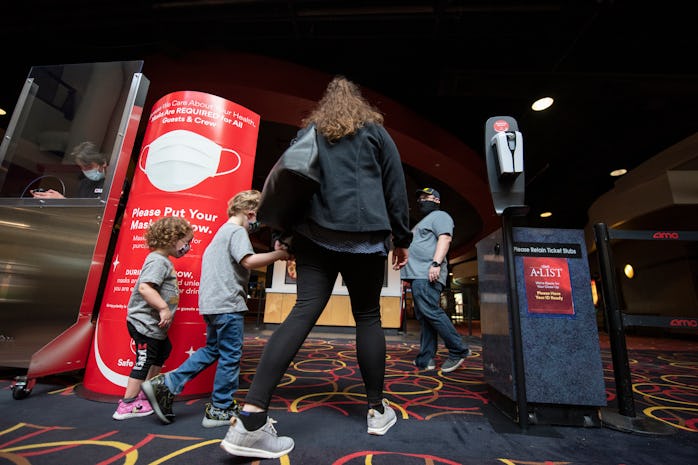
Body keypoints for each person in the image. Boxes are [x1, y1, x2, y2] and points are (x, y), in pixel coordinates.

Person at [219, 75, 412, 459]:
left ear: (325, 104)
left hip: (314, 237)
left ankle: (251, 418)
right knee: (368, 317)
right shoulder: (376, 133)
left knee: (302, 313)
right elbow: (395, 186)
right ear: (360, 103)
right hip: (364, 238)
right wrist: (401, 237)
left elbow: (293, 184)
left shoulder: (311, 133)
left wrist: (285, 236)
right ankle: (376, 410)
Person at [141, 190, 291, 427]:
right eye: (258, 219)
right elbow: (248, 261)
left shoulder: (221, 232)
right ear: (250, 213)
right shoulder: (237, 231)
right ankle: (220, 407)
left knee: (213, 350)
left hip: (212, 304)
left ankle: (166, 384)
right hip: (228, 303)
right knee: (231, 355)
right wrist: (280, 254)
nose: (257, 224)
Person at [112, 216, 195, 420]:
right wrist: (163, 308)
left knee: (163, 351)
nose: (188, 247)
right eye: (187, 241)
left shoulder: (163, 261)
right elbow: (145, 287)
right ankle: (127, 404)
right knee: (144, 360)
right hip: (144, 323)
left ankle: (147, 392)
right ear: (172, 239)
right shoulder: (158, 260)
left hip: (154, 327)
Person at [400, 187, 471, 373]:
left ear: (436, 200)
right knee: (425, 318)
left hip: (428, 273)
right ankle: (426, 358)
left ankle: (458, 349)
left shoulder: (440, 216)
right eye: (420, 198)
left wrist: (436, 263)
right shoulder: (424, 221)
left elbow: (445, 239)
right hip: (419, 275)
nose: (422, 200)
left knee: (430, 312)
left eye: (426, 197)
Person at [31, 141, 109, 199]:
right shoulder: (84, 184)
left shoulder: (112, 184)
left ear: (103, 162)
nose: (85, 170)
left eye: (88, 166)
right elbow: (77, 212)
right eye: (81, 167)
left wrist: (62, 200)